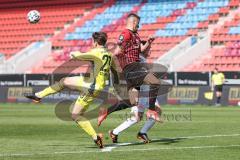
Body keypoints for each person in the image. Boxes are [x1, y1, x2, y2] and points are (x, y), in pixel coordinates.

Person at [25, 32, 115, 149]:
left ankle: (38, 96)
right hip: (95, 85)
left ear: (96, 42)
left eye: (92, 41)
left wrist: (72, 52)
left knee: (66, 85)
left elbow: (77, 56)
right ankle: (96, 137)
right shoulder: (109, 54)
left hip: (90, 85)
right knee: (75, 113)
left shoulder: (95, 52)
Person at [98, 13, 161, 129]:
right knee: (155, 82)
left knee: (132, 102)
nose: (139, 26)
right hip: (132, 67)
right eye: (138, 23)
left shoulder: (135, 35)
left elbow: (140, 50)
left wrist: (148, 42)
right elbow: (117, 51)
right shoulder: (126, 33)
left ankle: (106, 111)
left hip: (131, 70)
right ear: (134, 22)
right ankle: (152, 110)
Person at [109, 41, 163, 143]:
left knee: (143, 115)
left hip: (145, 89)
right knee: (145, 115)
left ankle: (136, 132)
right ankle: (137, 132)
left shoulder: (141, 59)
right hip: (140, 90)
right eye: (148, 48)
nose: (150, 50)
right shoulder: (136, 57)